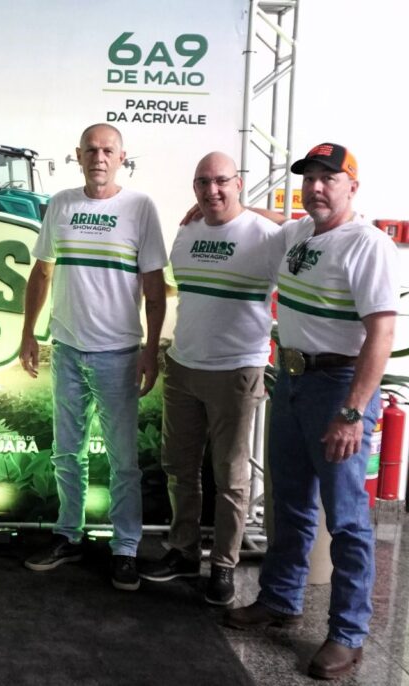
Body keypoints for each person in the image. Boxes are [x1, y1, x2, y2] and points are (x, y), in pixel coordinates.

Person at [224, 144, 398, 680]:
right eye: (310, 179)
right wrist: (222, 204)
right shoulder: (301, 232)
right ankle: (280, 599)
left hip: (338, 387)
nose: (317, 188)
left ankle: (348, 634)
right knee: (291, 501)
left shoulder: (367, 245)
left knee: (346, 518)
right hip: (293, 380)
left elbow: (382, 334)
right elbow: (276, 220)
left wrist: (352, 412)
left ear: (352, 187)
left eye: (329, 178)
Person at [19, 123, 167, 591]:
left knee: (123, 461)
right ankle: (69, 535)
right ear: (78, 155)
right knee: (67, 453)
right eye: (91, 150)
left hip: (118, 354)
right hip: (66, 350)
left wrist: (150, 350)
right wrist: (28, 334)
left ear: (121, 157)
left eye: (107, 150)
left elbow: (154, 288)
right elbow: (41, 274)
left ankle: (125, 548)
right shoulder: (61, 204)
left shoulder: (140, 208)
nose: (98, 158)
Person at [137, 152, 281, 605]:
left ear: (239, 183)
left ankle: (223, 565)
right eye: (203, 182)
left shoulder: (265, 235)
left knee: (231, 476)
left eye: (221, 181)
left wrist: (248, 209)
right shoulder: (187, 231)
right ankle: (182, 552)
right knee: (180, 468)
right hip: (183, 366)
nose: (211, 190)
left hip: (236, 371)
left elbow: (311, 225)